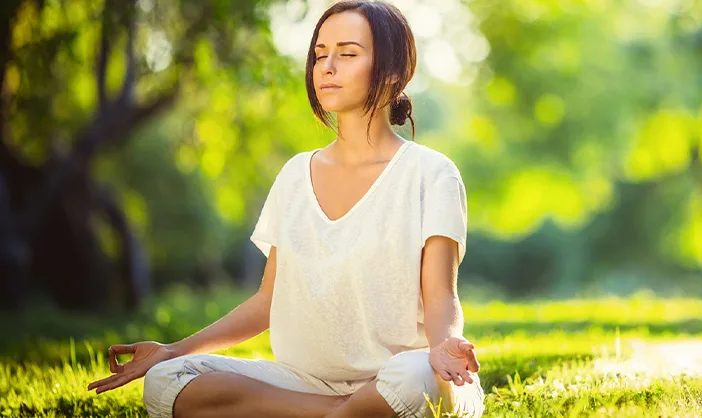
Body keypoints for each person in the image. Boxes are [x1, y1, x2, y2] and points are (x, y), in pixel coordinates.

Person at [86, 1, 485, 417]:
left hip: (398, 375)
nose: (327, 66)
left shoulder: (432, 173)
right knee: (166, 380)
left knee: (417, 380)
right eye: (319, 54)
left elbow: (441, 294)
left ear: (392, 71)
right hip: (304, 382)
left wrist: (442, 349)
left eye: (348, 54)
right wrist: (173, 349)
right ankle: (343, 411)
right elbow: (267, 300)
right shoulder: (296, 174)